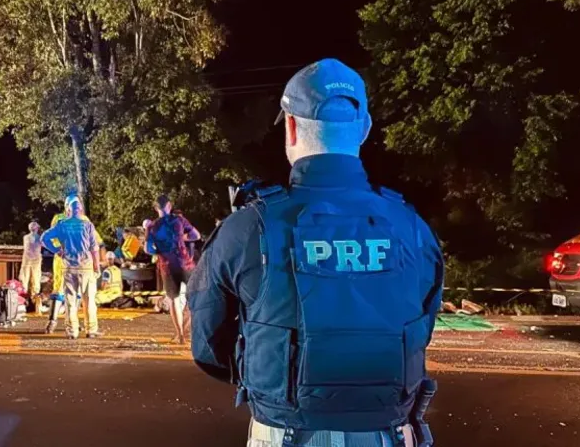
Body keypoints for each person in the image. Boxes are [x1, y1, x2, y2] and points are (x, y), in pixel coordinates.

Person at [188, 59, 443, 447]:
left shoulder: (247, 228)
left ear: (290, 126)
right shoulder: (412, 227)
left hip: (284, 432)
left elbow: (208, 346)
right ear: (364, 128)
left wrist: (272, 379)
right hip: (388, 434)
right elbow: (421, 327)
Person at [41, 195, 102, 339]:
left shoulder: (61, 223)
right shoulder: (87, 224)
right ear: (80, 209)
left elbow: (44, 238)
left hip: (68, 266)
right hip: (86, 267)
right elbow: (95, 248)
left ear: (68, 208)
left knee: (70, 300)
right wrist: (97, 266)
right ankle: (91, 330)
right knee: (89, 299)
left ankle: (72, 331)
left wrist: (56, 250)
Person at [144, 195, 200, 344]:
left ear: (156, 208)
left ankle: (180, 335)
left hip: (168, 267)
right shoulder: (179, 220)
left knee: (174, 300)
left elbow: (148, 249)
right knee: (195, 298)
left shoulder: (152, 227)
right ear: (169, 205)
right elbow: (196, 235)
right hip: (186, 264)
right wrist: (182, 238)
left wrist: (158, 249)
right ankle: (192, 330)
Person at [19, 221, 44, 301]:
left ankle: (24, 296)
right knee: (35, 278)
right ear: (37, 229)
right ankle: (34, 298)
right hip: (34, 259)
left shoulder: (26, 237)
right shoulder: (40, 238)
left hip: (28, 259)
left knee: (25, 277)